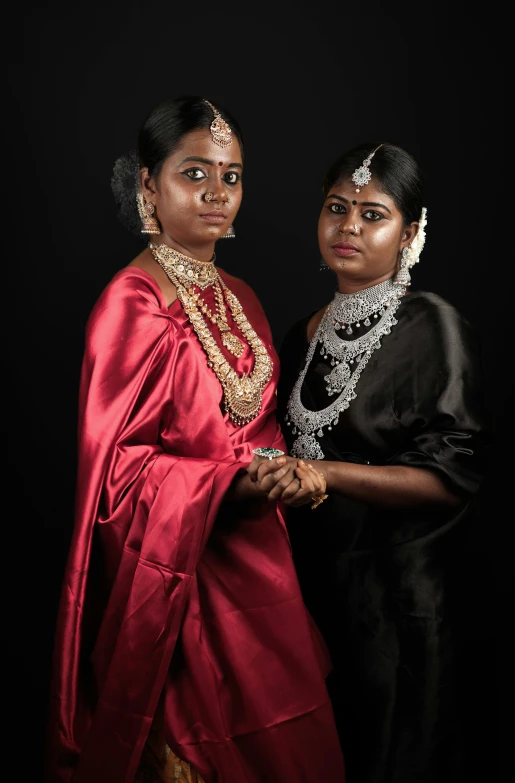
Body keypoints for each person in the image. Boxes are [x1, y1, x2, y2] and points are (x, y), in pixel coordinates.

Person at [46, 95, 345, 783]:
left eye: (232, 176)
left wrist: (281, 474)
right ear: (149, 184)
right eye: (194, 173)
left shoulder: (242, 295)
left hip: (263, 577)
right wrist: (225, 485)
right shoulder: (133, 301)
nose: (217, 193)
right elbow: (115, 478)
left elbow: (258, 429)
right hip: (177, 589)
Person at [276, 142, 490, 782]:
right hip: (315, 605)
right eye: (336, 208)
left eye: (373, 214)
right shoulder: (302, 336)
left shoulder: (434, 326)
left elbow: (451, 478)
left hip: (404, 612)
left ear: (410, 233)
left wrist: (325, 475)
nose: (348, 227)